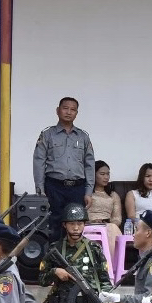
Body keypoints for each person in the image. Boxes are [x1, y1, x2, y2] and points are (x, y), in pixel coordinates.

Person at [33, 97, 95, 241]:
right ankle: (54, 259)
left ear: (76, 113)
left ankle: (73, 259)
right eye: (65, 108)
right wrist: (40, 188)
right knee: (54, 223)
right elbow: (39, 161)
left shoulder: (83, 136)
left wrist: (89, 191)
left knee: (76, 223)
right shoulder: (47, 134)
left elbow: (89, 164)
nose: (68, 112)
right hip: (54, 186)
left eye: (73, 109)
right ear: (58, 110)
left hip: (77, 187)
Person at [86, 161, 123, 255]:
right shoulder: (86, 194)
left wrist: (106, 224)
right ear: (93, 175)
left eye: (108, 174)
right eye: (102, 174)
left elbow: (117, 218)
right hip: (89, 225)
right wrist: (91, 222)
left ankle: (110, 265)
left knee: (113, 228)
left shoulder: (113, 195)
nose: (106, 177)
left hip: (107, 227)